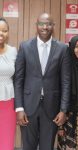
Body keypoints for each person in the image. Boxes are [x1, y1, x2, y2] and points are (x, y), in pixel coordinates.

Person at [14, 13, 71, 150]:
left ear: (53, 26)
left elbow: (66, 82)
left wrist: (63, 110)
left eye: (49, 24)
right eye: (41, 24)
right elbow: (18, 79)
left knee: (47, 147)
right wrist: (19, 108)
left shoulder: (63, 49)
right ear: (36, 26)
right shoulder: (25, 47)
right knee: (28, 147)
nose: (45, 27)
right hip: (28, 108)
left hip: (52, 109)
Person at [0, 17, 17, 150]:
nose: (1, 33)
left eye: (4, 30)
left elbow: (18, 77)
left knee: (6, 140)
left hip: (8, 102)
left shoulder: (13, 51)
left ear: (8, 33)